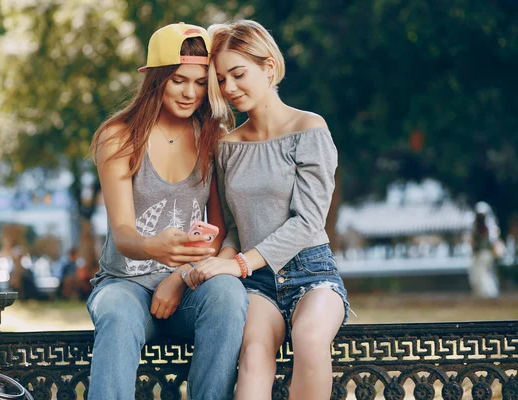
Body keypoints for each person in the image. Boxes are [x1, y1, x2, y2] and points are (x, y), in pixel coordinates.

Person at [185, 20, 350, 400]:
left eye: (238, 74)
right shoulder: (226, 146)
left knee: (310, 337)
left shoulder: (310, 129)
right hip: (257, 285)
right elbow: (232, 227)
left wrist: (238, 264)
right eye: (221, 79)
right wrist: (218, 262)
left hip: (312, 272)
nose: (228, 88)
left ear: (269, 67)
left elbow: (309, 222)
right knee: (254, 354)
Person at [86, 22, 248, 400]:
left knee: (227, 293)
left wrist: (182, 276)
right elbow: (124, 232)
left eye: (200, 81)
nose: (191, 92)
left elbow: (220, 232)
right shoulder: (120, 136)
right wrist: (154, 247)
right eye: (178, 80)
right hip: (126, 285)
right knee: (116, 312)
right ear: (156, 79)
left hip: (190, 288)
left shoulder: (213, 134)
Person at [470, 201, 504, 298]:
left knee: (483, 274)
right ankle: (485, 294)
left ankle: (489, 294)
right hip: (480, 254)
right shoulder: (478, 226)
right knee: (479, 275)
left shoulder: (489, 226)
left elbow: (493, 241)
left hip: (485, 254)